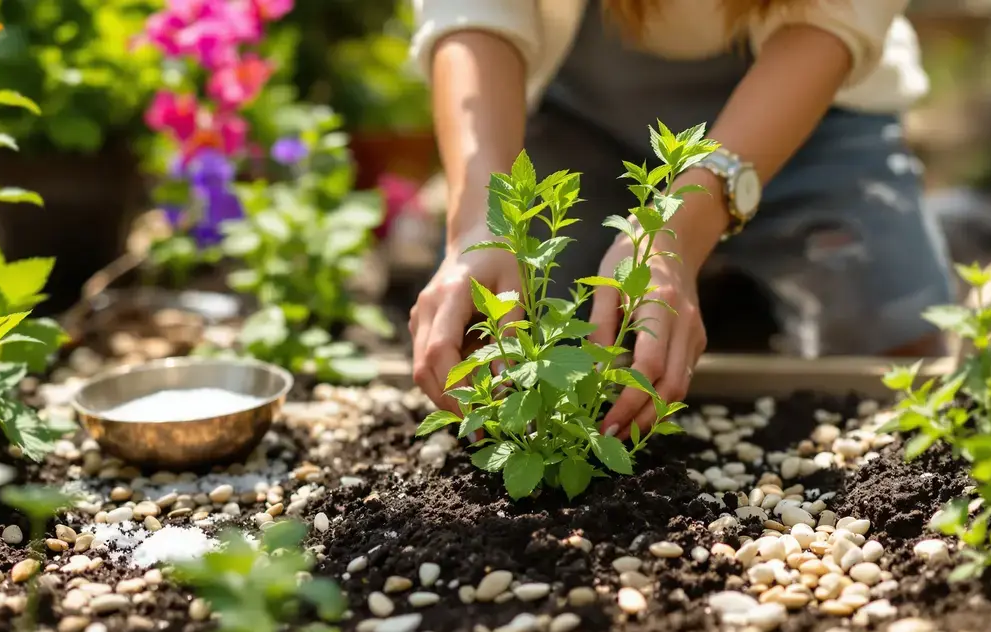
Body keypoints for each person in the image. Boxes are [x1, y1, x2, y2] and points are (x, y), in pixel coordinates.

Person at [407, 0, 955, 439]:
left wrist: (678, 232)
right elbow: (473, 14)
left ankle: (725, 288)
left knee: (892, 349)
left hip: (815, 108)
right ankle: (729, 300)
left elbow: (831, 20)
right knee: (518, 338)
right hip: (578, 114)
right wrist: (484, 222)